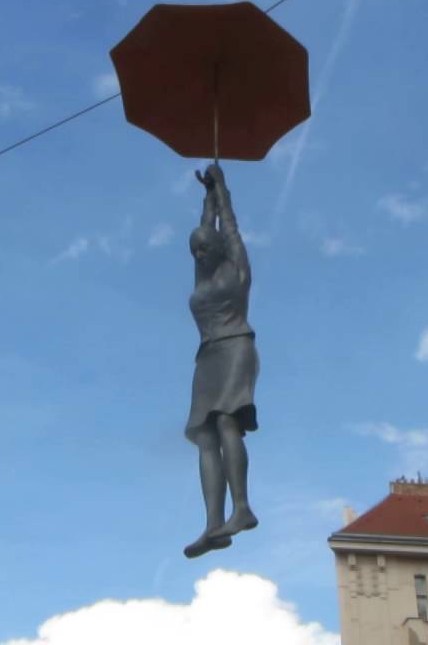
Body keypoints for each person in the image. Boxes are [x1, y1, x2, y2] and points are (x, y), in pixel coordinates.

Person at [183, 161, 260, 559]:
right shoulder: (201, 273)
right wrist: (207, 193)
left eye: (204, 248)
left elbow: (226, 227)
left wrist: (223, 190)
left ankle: (242, 508)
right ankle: (214, 524)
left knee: (228, 420)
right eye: (194, 249)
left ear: (218, 249)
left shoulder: (236, 269)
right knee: (204, 436)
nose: (198, 253)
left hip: (236, 347)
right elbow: (206, 223)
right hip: (207, 357)